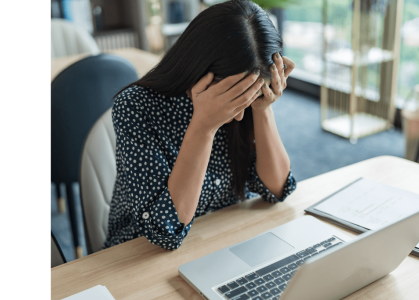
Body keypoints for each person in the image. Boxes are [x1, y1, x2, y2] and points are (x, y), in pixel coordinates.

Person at [104, 0, 297, 250]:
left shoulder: (249, 95)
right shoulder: (136, 107)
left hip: (218, 238)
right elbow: (165, 232)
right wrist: (204, 126)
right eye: (235, 96)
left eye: (251, 94)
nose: (239, 112)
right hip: (138, 253)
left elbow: (276, 190)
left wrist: (262, 109)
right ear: (198, 69)